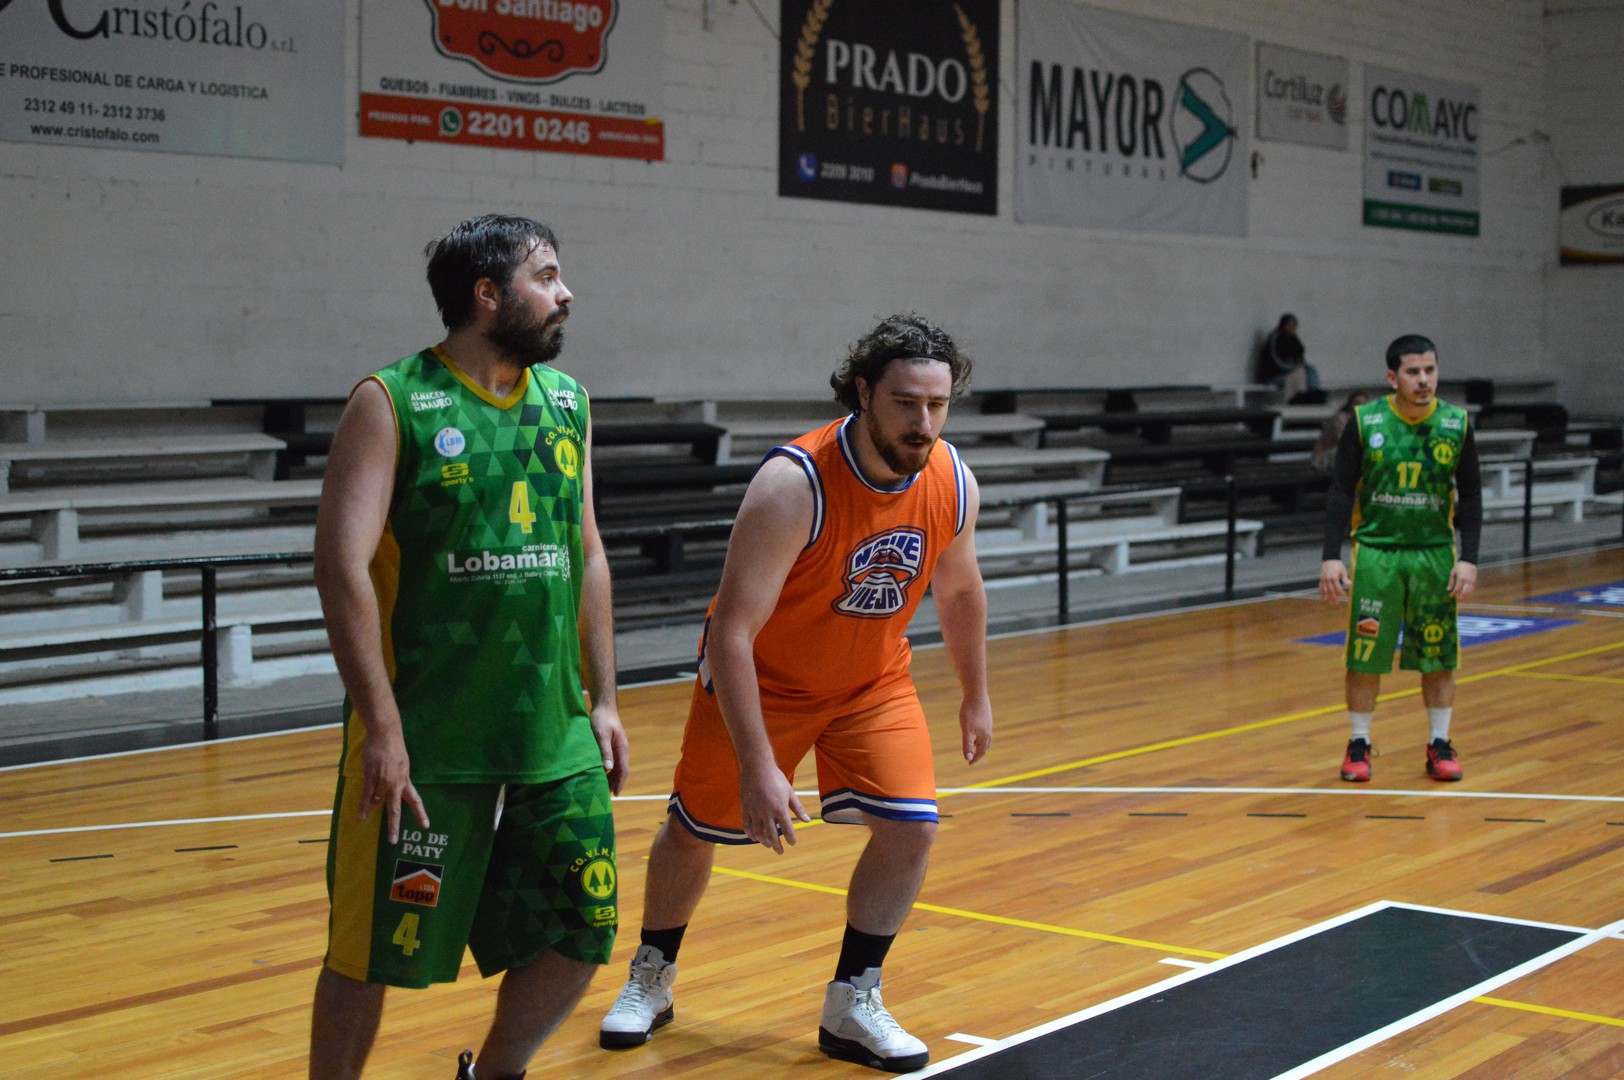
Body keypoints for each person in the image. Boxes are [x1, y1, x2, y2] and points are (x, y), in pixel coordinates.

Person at [598, 313, 993, 1073]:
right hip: (762, 681)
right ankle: (652, 972)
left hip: (871, 683)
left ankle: (853, 1000)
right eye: (906, 403)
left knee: (912, 830)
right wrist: (758, 765)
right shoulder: (794, 483)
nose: (923, 422)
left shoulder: (952, 479)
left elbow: (960, 590)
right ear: (863, 392)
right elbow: (732, 631)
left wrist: (975, 694)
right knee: (693, 830)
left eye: (937, 405)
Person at [308, 214, 629, 1080]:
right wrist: (381, 727)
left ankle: (494, 1074)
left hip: (552, 732)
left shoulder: (568, 403)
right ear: (487, 295)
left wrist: (604, 698)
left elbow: (589, 554)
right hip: (428, 736)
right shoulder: (391, 401)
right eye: (546, 277)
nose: (566, 294)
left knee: (585, 923)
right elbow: (339, 566)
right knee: (369, 952)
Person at [1319, 334, 1482, 785]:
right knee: (1364, 654)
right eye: (1413, 372)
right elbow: (1341, 490)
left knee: (1439, 655)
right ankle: (1358, 743)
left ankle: (1439, 743)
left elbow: (1470, 494)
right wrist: (1331, 556)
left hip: (1434, 555)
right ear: (1393, 378)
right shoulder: (1365, 421)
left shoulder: (1456, 423)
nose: (1423, 379)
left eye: (1430, 370)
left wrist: (1469, 558)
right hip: (1377, 554)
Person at [1259, 313, 1321, 400]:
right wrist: (1293, 368)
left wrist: (1299, 367)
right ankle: (1302, 399)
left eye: (1294, 325)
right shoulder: (1275, 339)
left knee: (1310, 370)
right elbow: (1277, 364)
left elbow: (1300, 358)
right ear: (1283, 325)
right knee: (1298, 376)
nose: (1292, 328)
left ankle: (1315, 394)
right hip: (1275, 376)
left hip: (1292, 373)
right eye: (1289, 325)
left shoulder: (1295, 340)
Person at [1310, 391, 1370, 474]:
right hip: (1325, 457)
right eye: (1357, 403)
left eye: (1364, 404)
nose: (1361, 407)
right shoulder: (1341, 418)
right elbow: (1344, 441)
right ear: (1350, 405)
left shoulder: (1364, 420)